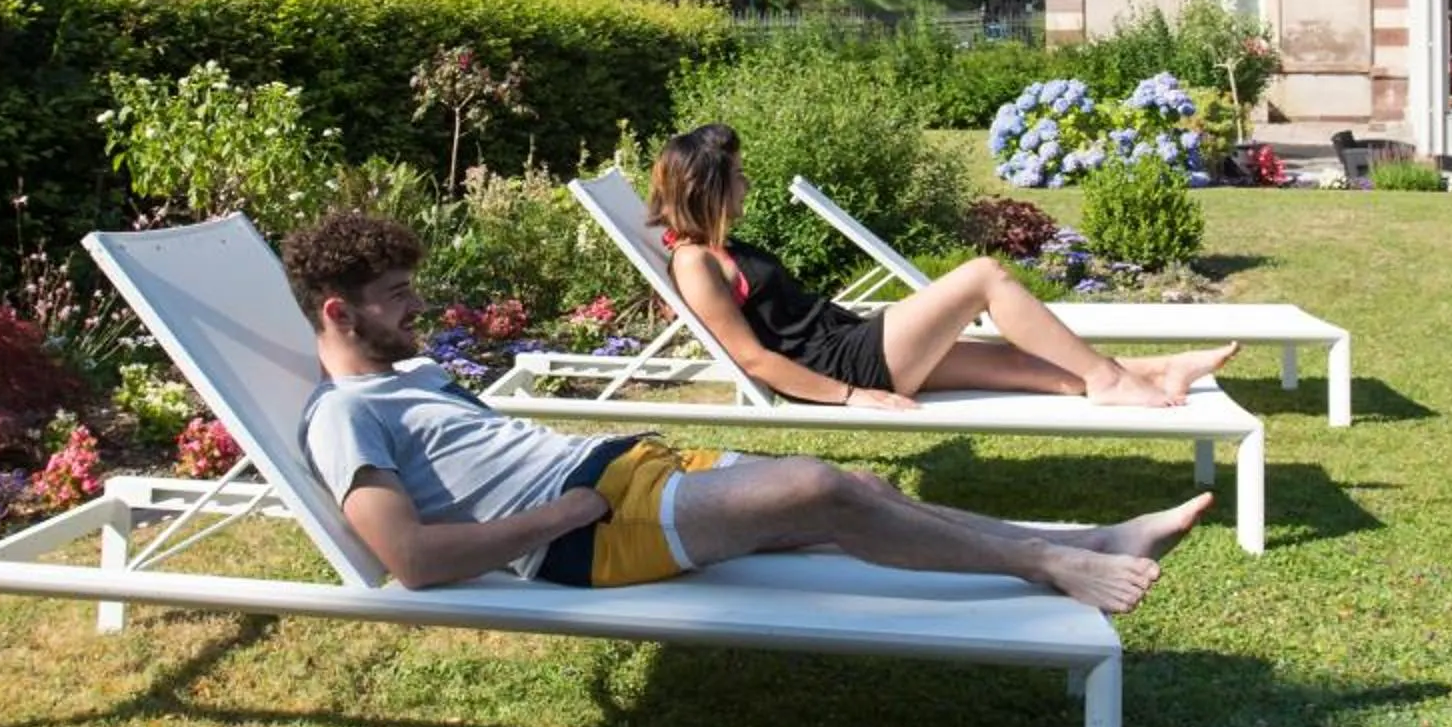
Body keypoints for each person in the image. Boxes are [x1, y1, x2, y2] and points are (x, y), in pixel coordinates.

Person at [286, 211, 1209, 613]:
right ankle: (1054, 564)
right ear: (340, 312)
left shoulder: (414, 379)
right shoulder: (343, 418)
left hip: (625, 476)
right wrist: (564, 512)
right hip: (588, 528)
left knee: (858, 485)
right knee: (815, 487)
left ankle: (1094, 538)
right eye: (398, 296)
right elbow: (411, 559)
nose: (418, 307)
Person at [650, 123, 1234, 413]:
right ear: (710, 187)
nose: (747, 183)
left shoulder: (716, 248)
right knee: (984, 275)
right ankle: (1110, 380)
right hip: (847, 365)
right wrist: (851, 396)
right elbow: (753, 359)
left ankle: (1161, 370)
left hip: (853, 344)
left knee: (1022, 367)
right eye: (738, 175)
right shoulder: (695, 263)